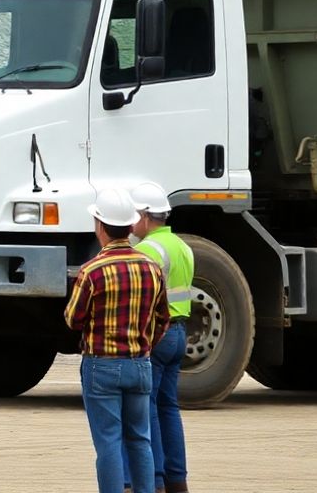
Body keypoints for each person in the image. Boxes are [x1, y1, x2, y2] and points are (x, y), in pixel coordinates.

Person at [66, 188, 170, 493]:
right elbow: (162, 317)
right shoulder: (151, 268)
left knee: (109, 442)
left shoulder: (92, 271)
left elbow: (73, 319)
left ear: (100, 226)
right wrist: (145, 345)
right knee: (140, 440)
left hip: (101, 366)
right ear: (130, 226)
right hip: (140, 365)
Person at [127, 181, 194, 493]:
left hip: (156, 334)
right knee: (169, 406)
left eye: (133, 216)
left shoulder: (145, 251)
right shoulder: (183, 247)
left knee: (146, 408)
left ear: (144, 216)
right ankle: (177, 479)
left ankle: (152, 480)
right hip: (180, 333)